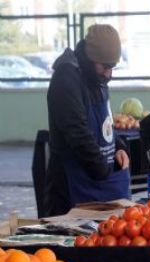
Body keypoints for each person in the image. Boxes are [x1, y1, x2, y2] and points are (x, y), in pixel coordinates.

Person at [44, 24, 130, 217]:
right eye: (105, 66)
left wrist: (118, 146)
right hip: (72, 188)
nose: (109, 73)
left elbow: (104, 123)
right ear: (90, 57)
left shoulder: (96, 77)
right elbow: (78, 133)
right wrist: (104, 172)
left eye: (112, 67)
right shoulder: (66, 78)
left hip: (100, 182)